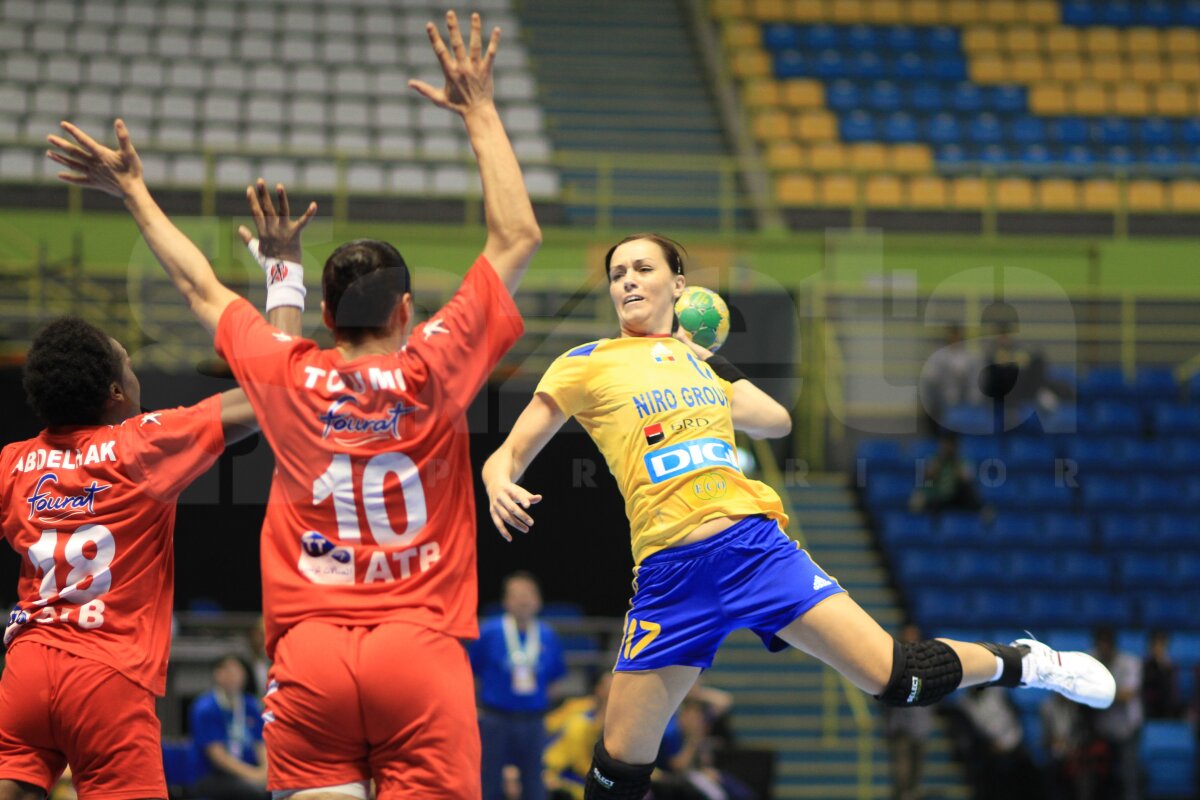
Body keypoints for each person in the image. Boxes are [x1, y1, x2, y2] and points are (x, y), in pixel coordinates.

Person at [48, 10, 540, 798]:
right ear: (407, 311)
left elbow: (198, 286)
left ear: (327, 315)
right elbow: (516, 237)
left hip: (309, 656)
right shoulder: (433, 365)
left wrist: (134, 189)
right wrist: (478, 105)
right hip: (421, 649)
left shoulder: (289, 375)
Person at [482, 232, 1116, 800]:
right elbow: (511, 448)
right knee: (618, 770)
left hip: (754, 550)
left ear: (677, 284)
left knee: (899, 679)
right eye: (617, 273)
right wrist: (496, 478)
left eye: (641, 268)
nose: (625, 281)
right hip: (668, 576)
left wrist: (701, 355)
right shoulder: (588, 362)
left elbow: (776, 419)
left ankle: (1029, 663)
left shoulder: (701, 365)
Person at [0, 176, 300, 799]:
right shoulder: (142, 443)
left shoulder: (11, 463)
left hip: (24, 671)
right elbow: (277, 394)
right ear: (116, 393)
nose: (135, 369)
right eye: (128, 363)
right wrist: (283, 278)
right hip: (106, 678)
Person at [471, 571, 568, 800]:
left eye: (528, 595)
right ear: (506, 601)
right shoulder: (489, 631)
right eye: (517, 595)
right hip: (496, 719)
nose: (523, 600)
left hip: (533, 720)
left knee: (534, 780)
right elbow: (473, 672)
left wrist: (537, 703)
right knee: (489, 779)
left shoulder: (547, 635)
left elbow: (556, 678)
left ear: (538, 601)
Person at [189, 654, 268, 800]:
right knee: (253, 792)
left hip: (249, 771)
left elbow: (260, 744)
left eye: (238, 671)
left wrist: (265, 770)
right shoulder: (206, 707)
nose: (234, 676)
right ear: (217, 674)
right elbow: (218, 757)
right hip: (212, 776)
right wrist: (253, 774)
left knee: (278, 788)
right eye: (228, 671)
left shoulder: (250, 705)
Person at [1089, 626, 1144, 800]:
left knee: (1129, 777)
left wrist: (1097, 693)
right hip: (1102, 729)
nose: (1103, 648)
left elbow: (1128, 694)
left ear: (1113, 645)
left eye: (1106, 644)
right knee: (1101, 778)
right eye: (1100, 644)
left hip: (1127, 728)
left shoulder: (1130, 662)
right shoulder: (1090, 661)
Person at [884, 624, 936, 800]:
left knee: (916, 777)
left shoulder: (928, 662)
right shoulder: (893, 661)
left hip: (920, 728)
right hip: (901, 730)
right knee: (902, 775)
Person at [918, 323, 981, 433]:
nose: (955, 339)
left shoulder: (970, 357)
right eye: (953, 337)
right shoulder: (939, 356)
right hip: (943, 400)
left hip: (964, 399)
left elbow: (975, 382)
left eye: (957, 337)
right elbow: (930, 378)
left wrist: (972, 398)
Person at [908, 434, 981, 514]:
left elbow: (966, 479)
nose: (945, 448)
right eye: (944, 445)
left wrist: (956, 465)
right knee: (921, 499)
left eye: (949, 445)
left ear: (954, 447)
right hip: (938, 495)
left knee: (969, 490)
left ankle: (982, 513)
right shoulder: (934, 459)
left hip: (955, 495)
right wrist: (937, 466)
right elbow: (927, 479)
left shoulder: (962, 461)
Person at [1141, 629, 1182, 720]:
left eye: (1161, 645)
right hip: (1148, 708)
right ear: (1150, 647)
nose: (1158, 648)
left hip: (1167, 707)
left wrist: (1163, 668)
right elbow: (1145, 687)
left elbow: (1171, 692)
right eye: (1155, 645)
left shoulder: (1171, 667)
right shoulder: (1143, 666)